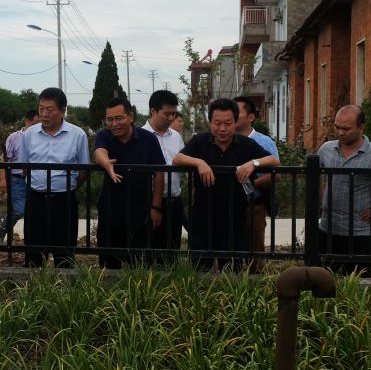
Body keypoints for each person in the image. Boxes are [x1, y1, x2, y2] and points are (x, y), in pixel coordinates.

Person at [173, 98, 278, 271]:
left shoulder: (246, 144)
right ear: (210, 123)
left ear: (235, 122)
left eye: (228, 123)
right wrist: (199, 163)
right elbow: (177, 159)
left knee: (231, 271)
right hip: (203, 218)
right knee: (200, 269)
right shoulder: (199, 141)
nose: (222, 129)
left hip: (235, 219)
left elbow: (274, 161)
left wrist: (254, 163)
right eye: (217, 123)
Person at [317, 104, 371, 277]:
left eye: (346, 129)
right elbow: (314, 172)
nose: (340, 132)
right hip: (327, 229)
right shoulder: (326, 149)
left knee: (358, 282)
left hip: (359, 233)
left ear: (361, 127)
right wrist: (321, 197)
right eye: (337, 127)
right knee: (322, 281)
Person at [19, 87, 90, 268]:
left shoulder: (77, 135)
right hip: (35, 199)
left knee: (64, 252)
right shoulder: (29, 134)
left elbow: (83, 171)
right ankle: (34, 282)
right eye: (41, 109)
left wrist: (67, 185)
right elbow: (24, 167)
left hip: (64, 201)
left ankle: (65, 284)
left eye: (50, 109)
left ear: (62, 110)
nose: (44, 114)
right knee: (33, 251)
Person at [93, 97, 164, 270]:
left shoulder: (148, 139)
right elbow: (99, 152)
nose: (114, 124)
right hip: (110, 210)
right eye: (110, 119)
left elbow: (159, 173)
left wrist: (156, 207)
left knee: (140, 264)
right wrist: (106, 163)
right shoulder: (104, 136)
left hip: (140, 211)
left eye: (119, 118)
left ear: (130, 116)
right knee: (109, 263)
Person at [234, 96, 281, 269]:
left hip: (254, 205)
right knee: (230, 252)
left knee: (255, 251)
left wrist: (251, 183)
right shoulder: (225, 139)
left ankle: (254, 278)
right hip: (228, 205)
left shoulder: (264, 142)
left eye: (237, 113)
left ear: (251, 117)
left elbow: (276, 175)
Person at [142, 90, 186, 259]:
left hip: (174, 200)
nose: (171, 118)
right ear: (153, 111)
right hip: (148, 202)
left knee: (172, 250)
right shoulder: (141, 136)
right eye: (167, 114)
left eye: (173, 114)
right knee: (148, 251)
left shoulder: (176, 137)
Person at [0, 108, 38, 245]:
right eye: (35, 123)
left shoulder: (40, 137)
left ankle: (32, 242)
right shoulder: (14, 137)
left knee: (34, 211)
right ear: (27, 121)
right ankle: (2, 232)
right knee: (19, 210)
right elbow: (5, 159)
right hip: (17, 178)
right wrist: (3, 179)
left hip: (35, 179)